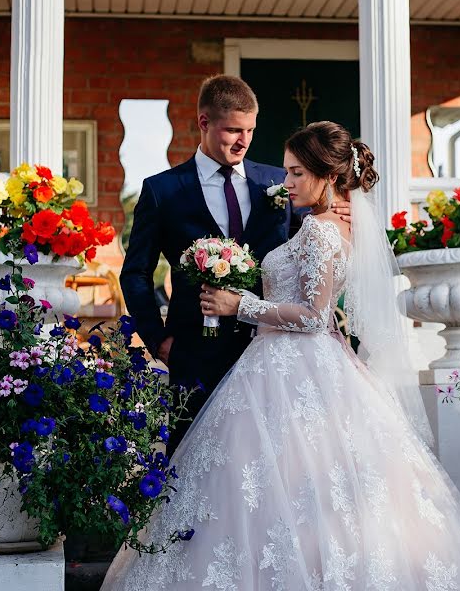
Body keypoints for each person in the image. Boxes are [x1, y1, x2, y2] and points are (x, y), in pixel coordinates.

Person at [103, 122, 460, 591]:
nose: (287, 183)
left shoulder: (320, 230)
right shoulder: (327, 222)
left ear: (326, 175)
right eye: (287, 172)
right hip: (291, 362)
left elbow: (315, 316)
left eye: (297, 173)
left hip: (289, 363)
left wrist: (241, 305)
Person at [120, 75, 349, 454]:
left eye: (250, 130)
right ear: (204, 123)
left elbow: (312, 240)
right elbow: (136, 273)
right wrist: (158, 341)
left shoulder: (279, 181)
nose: (243, 141)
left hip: (273, 352)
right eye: (232, 130)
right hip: (194, 351)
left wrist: (341, 210)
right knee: (191, 463)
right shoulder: (163, 191)